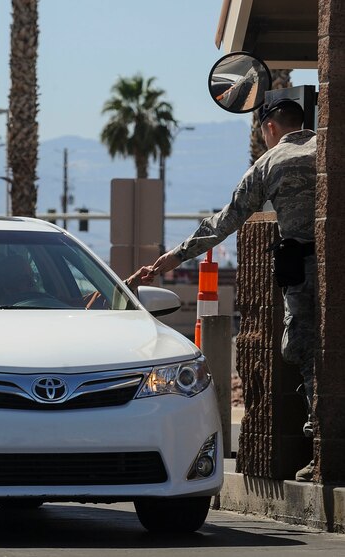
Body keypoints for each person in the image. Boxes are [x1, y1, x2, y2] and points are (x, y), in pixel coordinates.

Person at [135, 98, 317, 482]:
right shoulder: (328, 150)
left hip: (304, 275)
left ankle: (322, 453)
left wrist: (170, 260)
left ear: (269, 128)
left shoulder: (270, 162)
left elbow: (223, 222)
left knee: (306, 350)